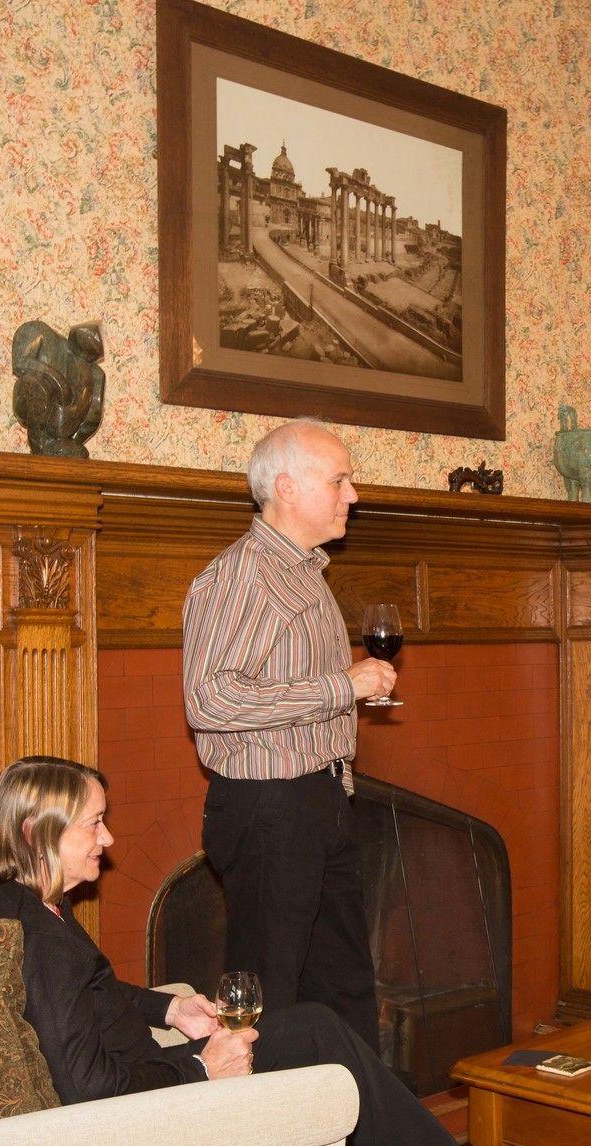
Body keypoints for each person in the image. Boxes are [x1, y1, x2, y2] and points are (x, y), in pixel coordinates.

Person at [0, 756, 541, 1146]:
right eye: (94, 824)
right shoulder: (43, 945)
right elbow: (92, 1092)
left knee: (313, 1027)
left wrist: (170, 1009)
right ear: (34, 832)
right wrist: (205, 1068)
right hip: (133, 1114)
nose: (107, 840)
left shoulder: (8, 904)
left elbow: (87, 995)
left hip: (144, 1077)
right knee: (306, 1083)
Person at [183, 419, 391, 1055]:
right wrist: (341, 689)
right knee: (268, 1002)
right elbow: (211, 698)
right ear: (285, 488)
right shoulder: (243, 578)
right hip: (271, 810)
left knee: (346, 993)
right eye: (338, 480)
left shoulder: (302, 571)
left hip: (319, 801)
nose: (352, 494)